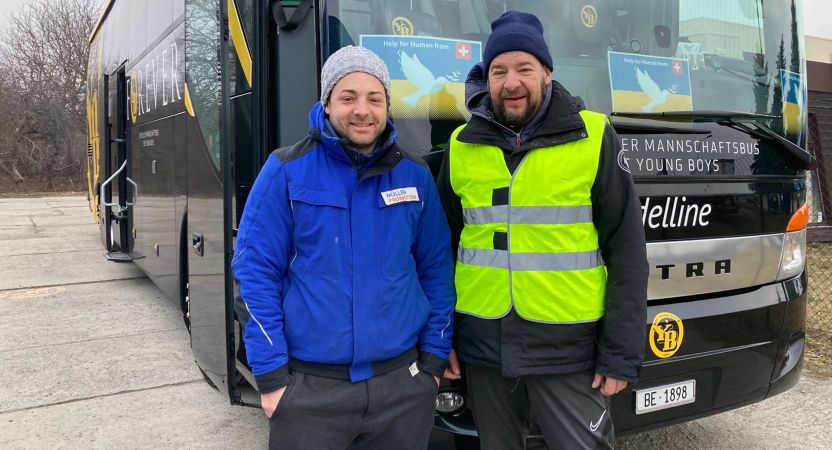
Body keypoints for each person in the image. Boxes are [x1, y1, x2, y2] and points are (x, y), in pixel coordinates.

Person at [436, 11, 648, 449]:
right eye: (499, 71)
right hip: (483, 347)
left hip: (567, 351)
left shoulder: (593, 137)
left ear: (547, 73)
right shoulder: (460, 146)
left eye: (524, 69)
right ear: (486, 77)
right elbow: (439, 253)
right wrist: (441, 339)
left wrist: (621, 353)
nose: (511, 82)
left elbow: (626, 250)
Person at [232, 45, 455, 450]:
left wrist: (433, 364)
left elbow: (436, 268)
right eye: (348, 97)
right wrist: (272, 381)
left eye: (375, 98)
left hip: (402, 389)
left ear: (388, 105)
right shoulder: (285, 170)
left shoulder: (415, 175)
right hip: (310, 392)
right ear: (327, 103)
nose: (362, 110)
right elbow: (254, 274)